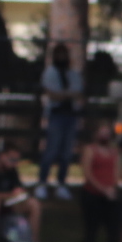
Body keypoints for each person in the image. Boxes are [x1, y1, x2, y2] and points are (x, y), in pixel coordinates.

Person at [37, 43, 84, 199]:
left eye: (64, 54)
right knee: (51, 150)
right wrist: (66, 95)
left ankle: (61, 183)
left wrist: (64, 95)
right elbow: (52, 94)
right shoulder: (50, 73)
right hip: (56, 115)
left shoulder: (73, 73)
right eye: (59, 54)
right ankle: (42, 183)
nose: (62, 58)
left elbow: (78, 92)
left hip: (71, 116)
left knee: (67, 152)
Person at [79, 123, 122, 242]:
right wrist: (103, 189)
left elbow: (116, 173)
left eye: (107, 132)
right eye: (102, 132)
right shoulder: (90, 149)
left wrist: (113, 189)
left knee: (114, 229)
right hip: (92, 194)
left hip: (110, 195)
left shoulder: (114, 152)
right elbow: (87, 173)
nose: (105, 135)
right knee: (91, 229)